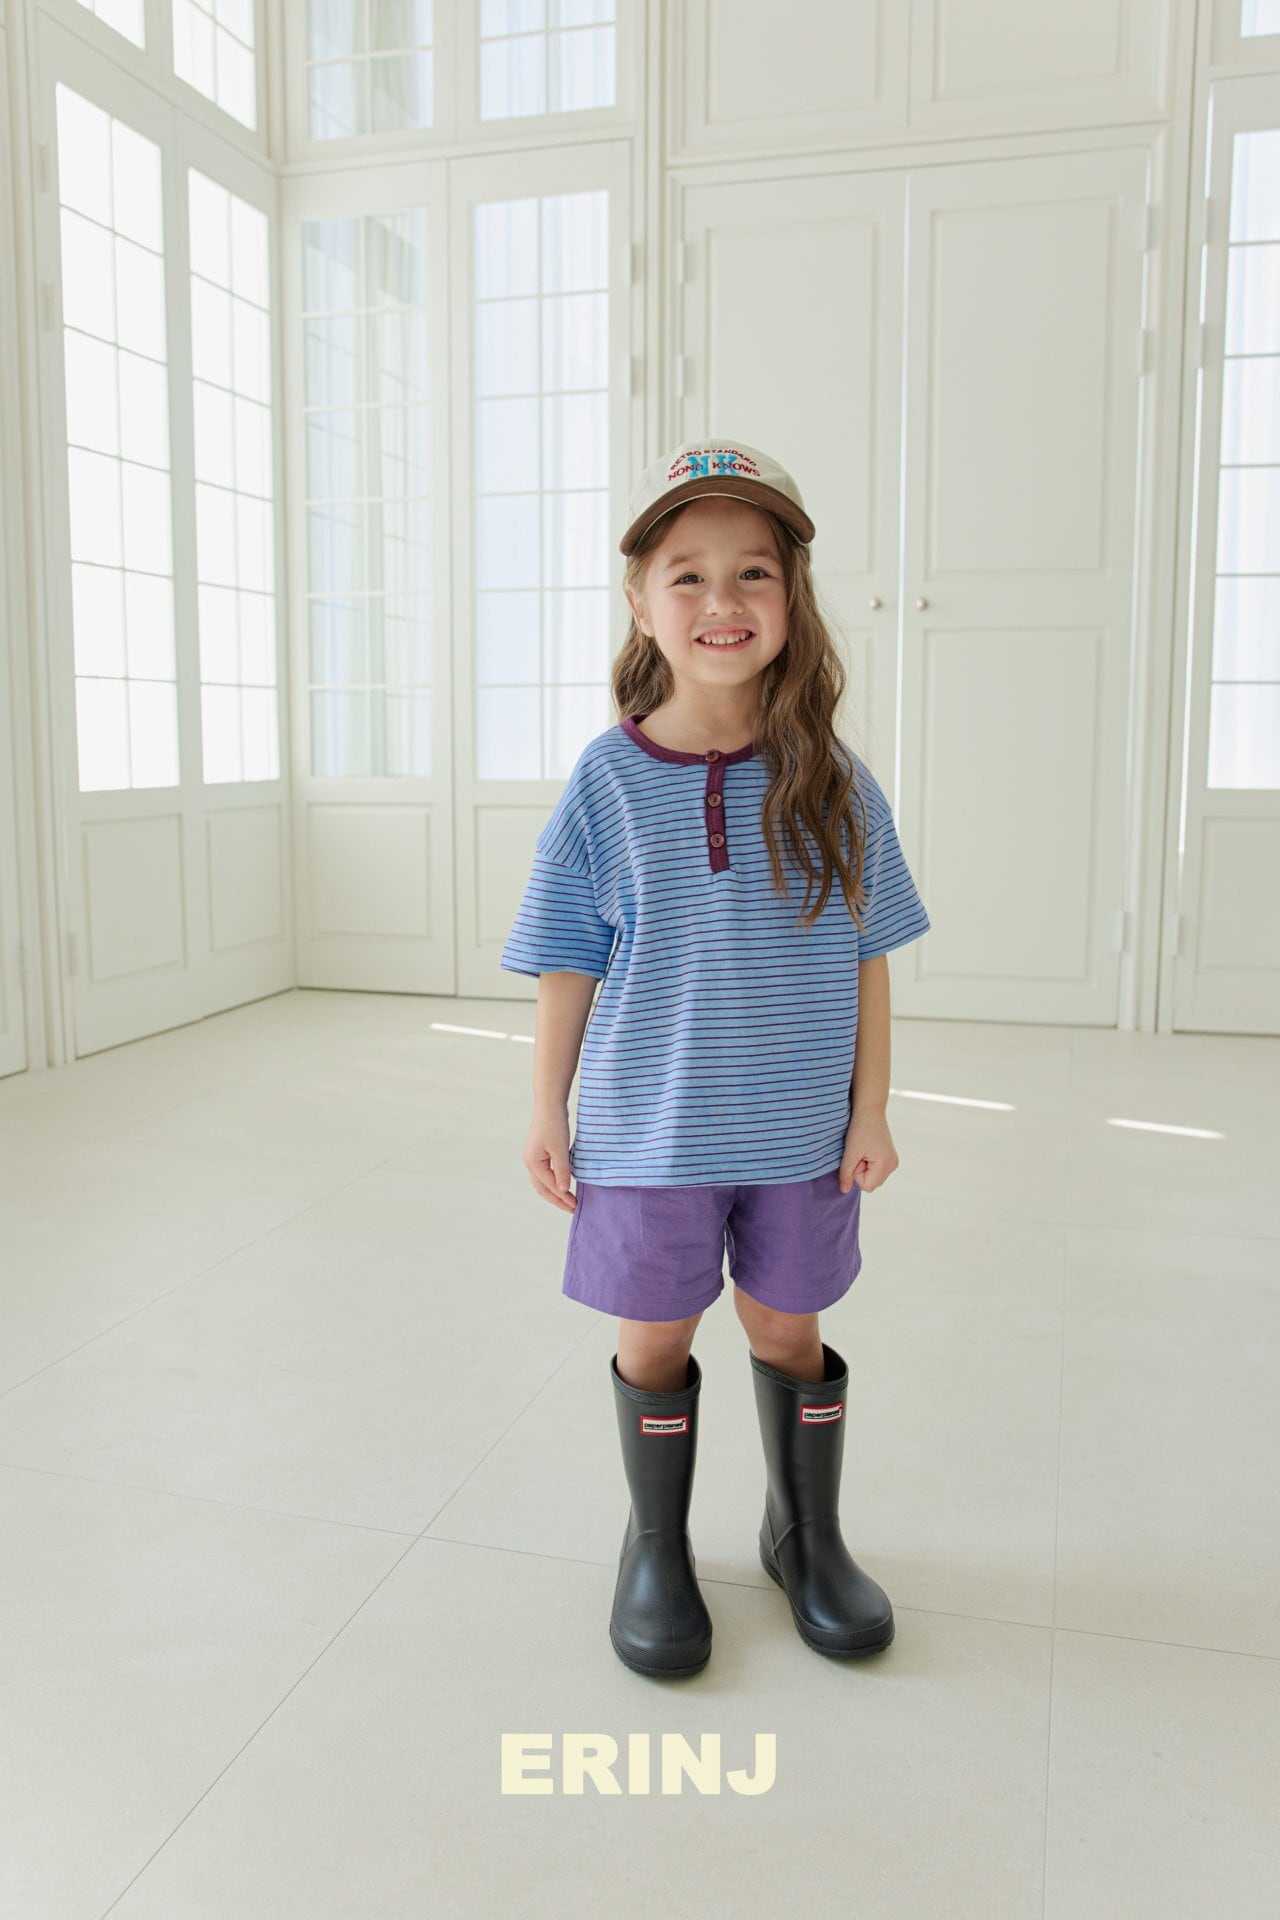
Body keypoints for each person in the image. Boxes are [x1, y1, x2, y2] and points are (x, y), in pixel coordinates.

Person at [500, 439, 930, 1679]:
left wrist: (870, 1109)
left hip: (798, 1131)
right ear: (640, 603)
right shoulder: (605, 779)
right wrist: (546, 1107)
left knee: (788, 1330)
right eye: (685, 575)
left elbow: (868, 955)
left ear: (790, 601)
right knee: (652, 1341)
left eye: (752, 572)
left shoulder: (833, 780)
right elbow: (567, 959)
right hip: (646, 1133)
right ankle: (654, 1548)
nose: (720, 600)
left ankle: (804, 1535)